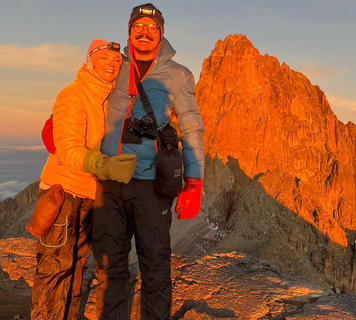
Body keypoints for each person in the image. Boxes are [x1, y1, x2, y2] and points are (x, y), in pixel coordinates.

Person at [93, 3, 205, 319]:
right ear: (129, 32)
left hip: (150, 185)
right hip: (110, 184)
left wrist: (193, 182)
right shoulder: (116, 66)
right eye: (138, 27)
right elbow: (90, 95)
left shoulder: (178, 75)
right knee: (109, 267)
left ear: (161, 34)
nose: (145, 32)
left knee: (155, 266)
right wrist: (57, 122)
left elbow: (191, 127)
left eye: (152, 28)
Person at [30, 39, 137, 320]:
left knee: (75, 269)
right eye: (104, 59)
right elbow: (68, 147)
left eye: (116, 61)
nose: (111, 65)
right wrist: (106, 166)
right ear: (90, 60)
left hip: (92, 195)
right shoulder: (73, 94)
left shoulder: (114, 98)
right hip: (63, 194)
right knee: (56, 269)